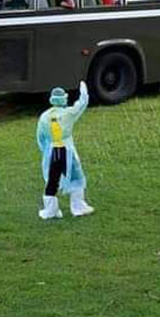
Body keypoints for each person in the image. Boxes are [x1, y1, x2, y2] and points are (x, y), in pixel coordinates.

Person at [35, 82, 94, 219]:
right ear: (64, 99)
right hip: (67, 150)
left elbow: (40, 137)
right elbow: (81, 105)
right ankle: (78, 207)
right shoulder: (68, 113)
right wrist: (84, 92)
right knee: (75, 176)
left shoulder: (44, 116)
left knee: (52, 180)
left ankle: (50, 210)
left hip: (52, 151)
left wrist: (45, 151)